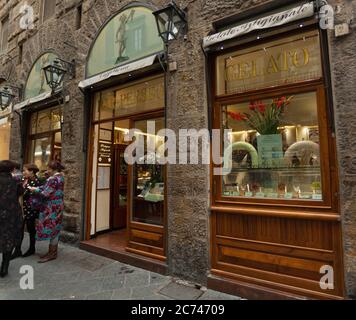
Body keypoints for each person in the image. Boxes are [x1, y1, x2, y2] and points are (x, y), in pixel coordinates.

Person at [28, 161, 65, 263]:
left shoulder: (53, 179)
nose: (47, 170)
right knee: (55, 228)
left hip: (51, 207)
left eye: (49, 169)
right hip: (58, 206)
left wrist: (34, 189)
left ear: (53, 169)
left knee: (51, 228)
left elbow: (45, 193)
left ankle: (52, 253)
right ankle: (52, 252)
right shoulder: (61, 177)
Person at [11, 164, 42, 259]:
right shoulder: (25, 180)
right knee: (19, 229)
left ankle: (32, 248)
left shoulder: (36, 181)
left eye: (25, 170)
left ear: (32, 171)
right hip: (22, 208)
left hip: (31, 209)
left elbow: (26, 193)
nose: (23, 172)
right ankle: (17, 250)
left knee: (31, 229)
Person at [0, 160, 24, 277]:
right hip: (12, 213)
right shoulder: (16, 181)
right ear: (11, 169)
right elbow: (20, 193)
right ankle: (4, 268)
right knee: (8, 238)